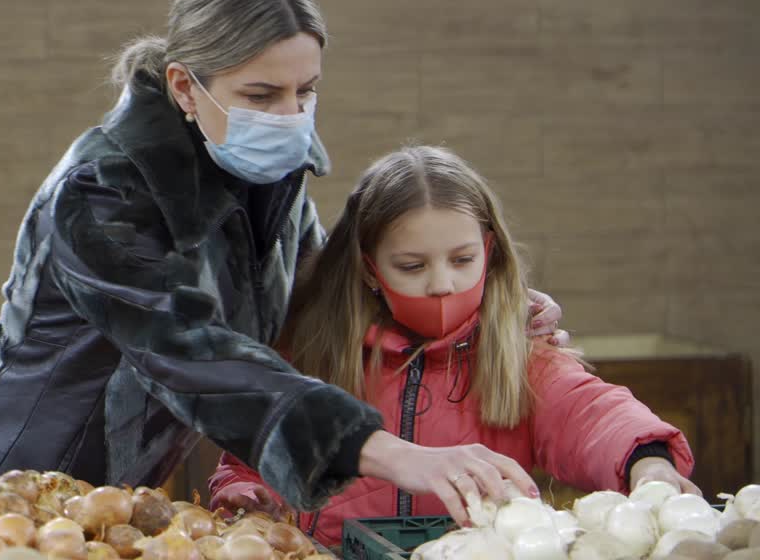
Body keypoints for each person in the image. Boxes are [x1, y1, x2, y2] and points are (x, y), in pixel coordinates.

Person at [0, 0, 565, 520]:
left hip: (107, 494)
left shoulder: (266, 177)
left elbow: (327, 303)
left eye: (305, 92)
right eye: (261, 94)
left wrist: (491, 313)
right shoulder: (101, 192)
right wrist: (390, 452)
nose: (289, 117)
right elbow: (190, 353)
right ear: (185, 88)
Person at [208, 145, 696, 546]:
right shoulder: (314, 352)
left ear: (489, 252)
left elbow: (589, 411)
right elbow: (254, 450)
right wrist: (246, 493)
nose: (442, 284)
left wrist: (647, 460)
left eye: (462, 260)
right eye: (412, 266)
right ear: (368, 268)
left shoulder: (518, 352)